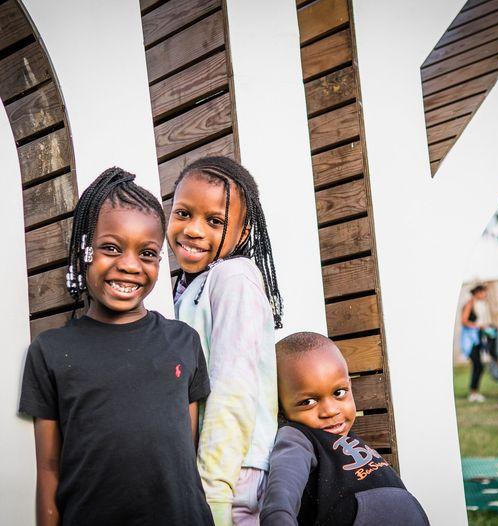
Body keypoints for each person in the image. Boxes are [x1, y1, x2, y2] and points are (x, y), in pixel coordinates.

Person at [19, 168, 213, 526]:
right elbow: (48, 469)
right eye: (111, 248)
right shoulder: (50, 352)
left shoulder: (184, 342)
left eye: (147, 253)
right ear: (84, 250)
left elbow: (186, 454)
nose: (129, 265)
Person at [167, 156, 283, 525]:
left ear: (243, 233)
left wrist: (214, 492)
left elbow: (233, 387)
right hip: (208, 472)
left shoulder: (234, 278)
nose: (193, 230)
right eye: (183, 213)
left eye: (215, 221)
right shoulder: (190, 287)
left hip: (233, 476)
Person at [260, 332, 429, 526]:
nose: (331, 410)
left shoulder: (346, 439)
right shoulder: (297, 438)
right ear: (280, 410)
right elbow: (280, 500)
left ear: (350, 385)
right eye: (308, 402)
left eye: (339, 392)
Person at [460, 284, 490, 402]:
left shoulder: (480, 304)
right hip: (470, 340)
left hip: (476, 339)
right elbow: (464, 321)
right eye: (483, 292)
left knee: (479, 366)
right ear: (477, 292)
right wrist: (478, 325)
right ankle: (473, 393)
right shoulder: (470, 304)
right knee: (478, 366)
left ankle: (474, 392)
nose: (485, 294)